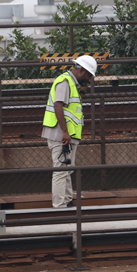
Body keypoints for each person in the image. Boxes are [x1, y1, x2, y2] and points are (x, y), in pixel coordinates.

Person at [42, 54, 97, 208]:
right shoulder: (65, 82)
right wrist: (65, 132)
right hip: (61, 134)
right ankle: (59, 206)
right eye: (89, 76)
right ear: (83, 71)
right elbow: (58, 105)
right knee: (60, 171)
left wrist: (83, 91)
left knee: (67, 170)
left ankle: (67, 202)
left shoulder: (72, 84)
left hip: (67, 135)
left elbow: (70, 108)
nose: (89, 80)